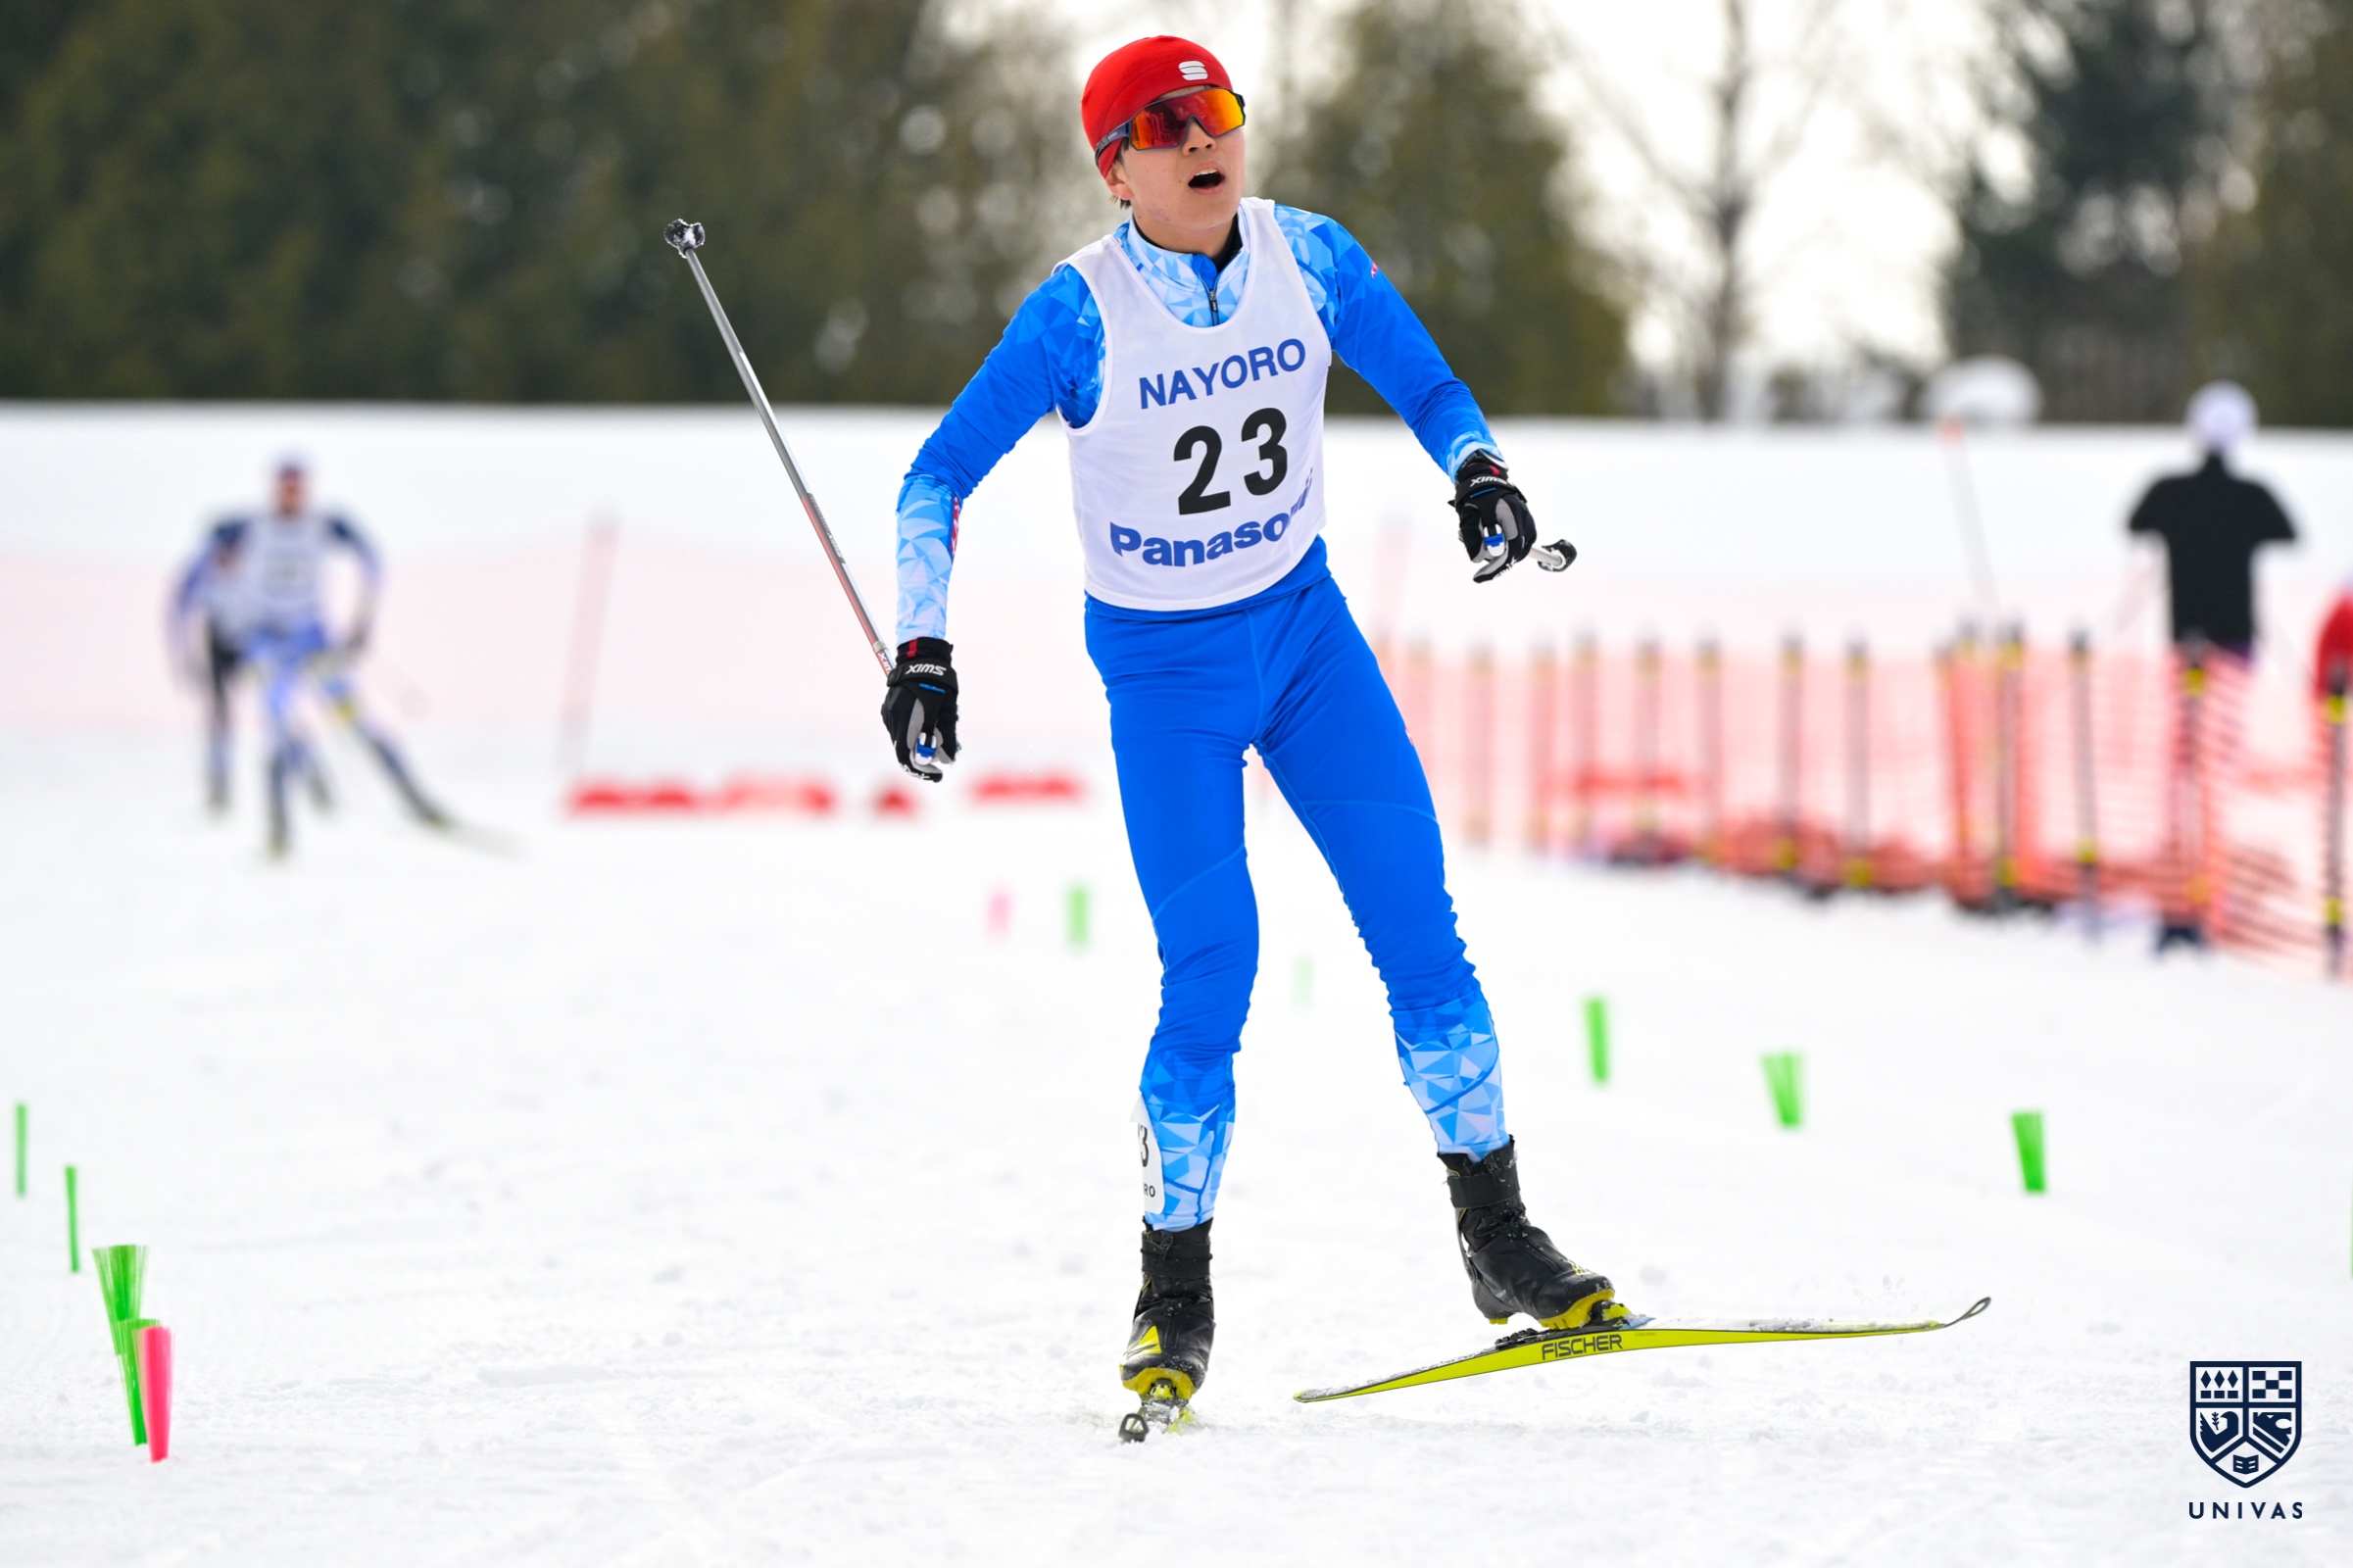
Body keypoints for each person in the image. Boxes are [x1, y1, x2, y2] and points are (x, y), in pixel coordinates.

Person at [876, 36, 1614, 1427]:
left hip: (1306, 642)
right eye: (1167, 126)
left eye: (1217, 110)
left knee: (1421, 930)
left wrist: (1480, 474)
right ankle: (1173, 1288)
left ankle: (1499, 1233)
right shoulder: (1079, 316)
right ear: (1116, 170)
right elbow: (935, 478)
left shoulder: (1307, 256)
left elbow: (1433, 388)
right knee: (1214, 969)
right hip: (1169, 676)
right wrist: (923, 647)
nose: (1204, 139)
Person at [172, 458, 446, 856]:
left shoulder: (324, 526)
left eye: (297, 488)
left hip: (313, 642)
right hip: (268, 644)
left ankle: (416, 800)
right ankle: (279, 831)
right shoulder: (249, 528)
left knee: (356, 719)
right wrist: (191, 642)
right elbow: (192, 577)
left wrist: (363, 619)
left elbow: (372, 559)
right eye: (285, 487)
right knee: (279, 729)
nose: (291, 495)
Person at [2128, 382, 2296, 661]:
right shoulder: (2252, 496)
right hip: (2235, 628)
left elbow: (2136, 523)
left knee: (2191, 688)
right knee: (2228, 688)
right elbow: (2288, 533)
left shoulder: (2169, 492)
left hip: (2186, 628)